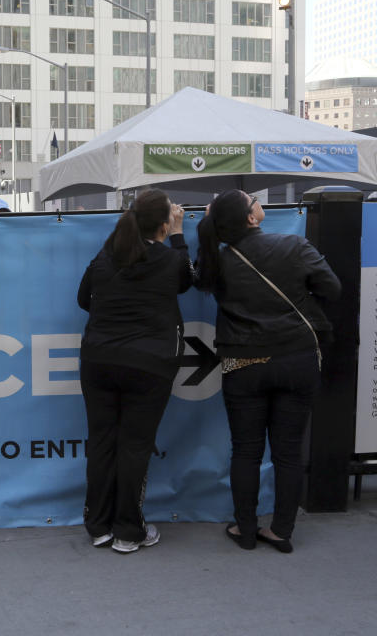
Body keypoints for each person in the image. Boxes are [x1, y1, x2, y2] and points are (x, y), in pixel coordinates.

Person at [195, 190, 340, 553]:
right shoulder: (294, 245)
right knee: (288, 452)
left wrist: (208, 219)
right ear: (252, 218)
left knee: (246, 450)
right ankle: (281, 531)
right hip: (296, 358)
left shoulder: (218, 262)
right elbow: (332, 289)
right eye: (253, 200)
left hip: (243, 363)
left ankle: (245, 529)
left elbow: (199, 275)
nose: (259, 201)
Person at [77, 189, 192, 553]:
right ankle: (128, 530)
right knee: (135, 446)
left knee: (102, 442)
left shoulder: (106, 255)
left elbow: (83, 298)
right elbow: (188, 280)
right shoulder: (169, 259)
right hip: (150, 365)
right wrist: (178, 234)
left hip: (99, 361)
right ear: (162, 223)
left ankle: (98, 527)